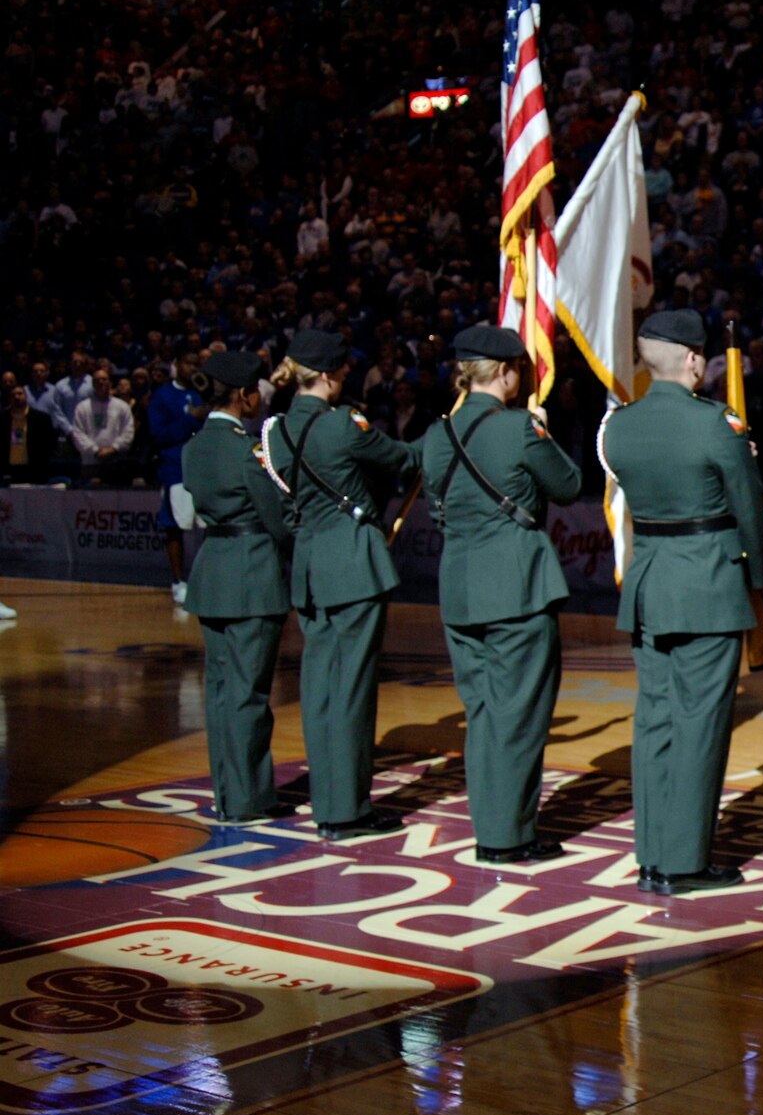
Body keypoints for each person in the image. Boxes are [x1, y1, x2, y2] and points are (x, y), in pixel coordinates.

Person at [598, 310, 763, 896]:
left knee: (656, 723)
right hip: (708, 585)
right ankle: (683, 862)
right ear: (695, 360)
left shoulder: (619, 427)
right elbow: (749, 507)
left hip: (650, 584)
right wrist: (759, 577)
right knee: (700, 725)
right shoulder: (717, 425)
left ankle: (652, 855)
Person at [420, 326, 583, 863]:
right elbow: (568, 484)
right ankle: (507, 836)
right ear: (509, 372)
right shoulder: (517, 429)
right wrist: (541, 432)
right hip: (515, 586)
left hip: (460, 587)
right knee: (520, 716)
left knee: (485, 714)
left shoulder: (437, 433)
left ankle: (493, 824)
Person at [262, 328, 420, 839]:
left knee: (321, 692)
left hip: (309, 569)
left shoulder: (277, 432)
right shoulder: (344, 425)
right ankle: (347, 810)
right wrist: (448, 431)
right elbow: (403, 460)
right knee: (351, 691)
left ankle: (328, 800)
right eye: (344, 373)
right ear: (328, 377)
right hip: (354, 566)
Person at [181, 350, 295, 825]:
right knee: (249, 696)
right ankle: (249, 799)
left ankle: (229, 793)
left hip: (213, 573)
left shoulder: (194, 448)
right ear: (245, 396)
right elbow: (277, 519)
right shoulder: (246, 449)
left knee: (222, 693)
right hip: (252, 577)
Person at [150, 350, 207, 605]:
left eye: (197, 364)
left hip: (204, 468)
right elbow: (158, 435)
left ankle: (206, 578)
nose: (193, 368)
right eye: (188, 362)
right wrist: (189, 419)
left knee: (209, 526)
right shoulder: (163, 395)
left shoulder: (204, 393)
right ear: (176, 365)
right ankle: (177, 582)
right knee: (175, 526)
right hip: (176, 469)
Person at [68, 364, 136, 485]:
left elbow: (128, 432)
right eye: (97, 380)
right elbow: (78, 434)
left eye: (104, 379)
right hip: (90, 463)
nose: (100, 382)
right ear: (92, 384)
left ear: (110, 383)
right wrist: (95, 451)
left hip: (116, 461)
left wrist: (113, 448)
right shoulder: (83, 407)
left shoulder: (122, 406)